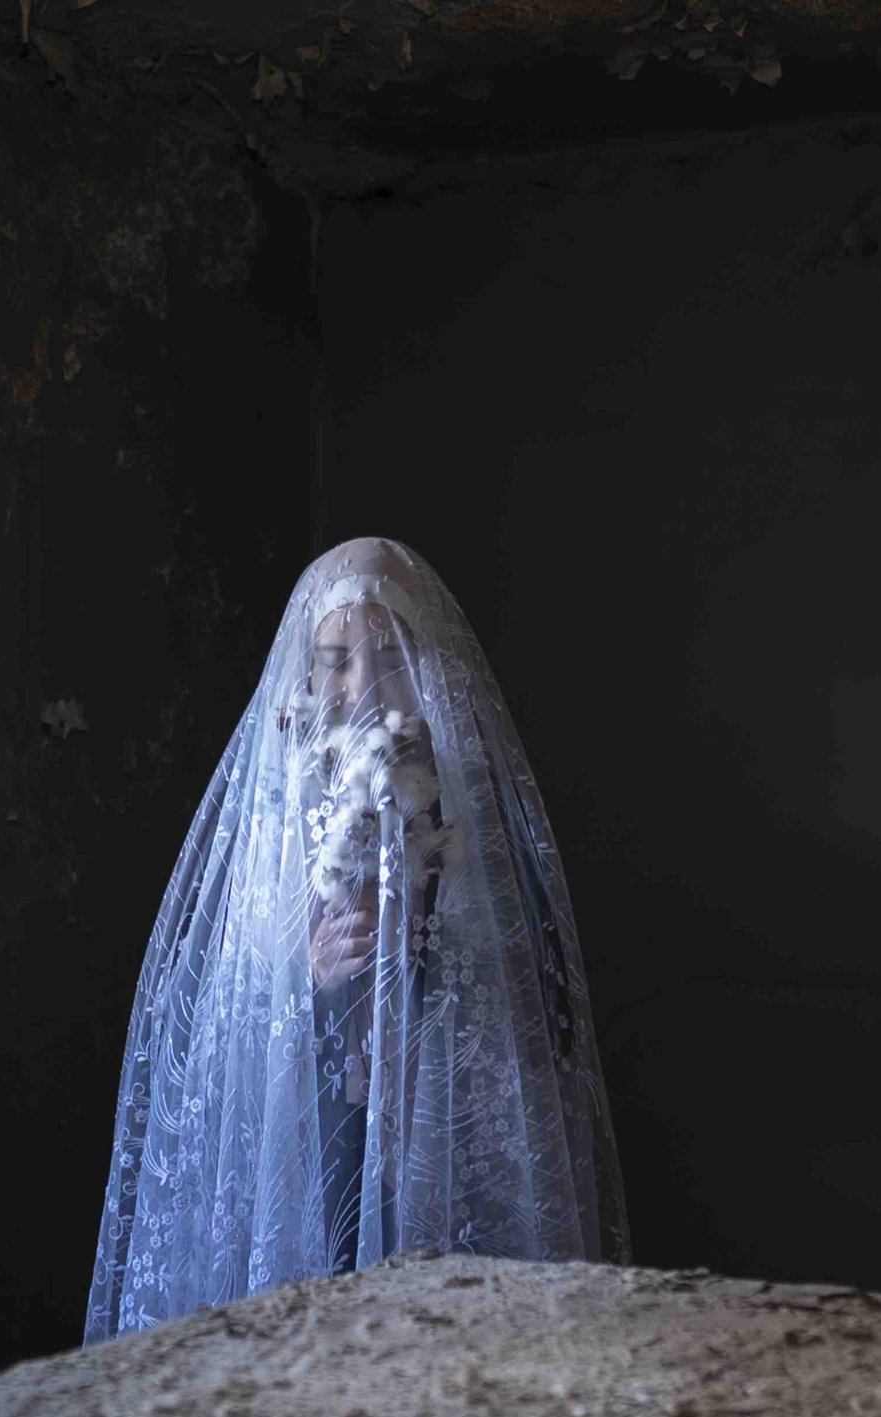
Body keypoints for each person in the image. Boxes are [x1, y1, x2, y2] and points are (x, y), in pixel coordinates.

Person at [82, 537, 626, 1344]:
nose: (364, 684)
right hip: (317, 1128)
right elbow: (231, 1011)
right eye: (337, 661)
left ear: (429, 668)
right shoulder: (276, 801)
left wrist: (427, 951)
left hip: (439, 1131)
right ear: (307, 673)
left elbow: (528, 1004)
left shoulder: (470, 797)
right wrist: (310, 975)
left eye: (392, 657)